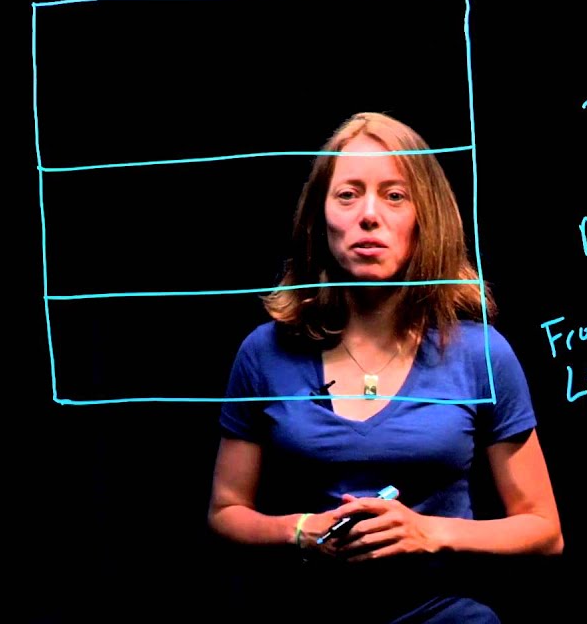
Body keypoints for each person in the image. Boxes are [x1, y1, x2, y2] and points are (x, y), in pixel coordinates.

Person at [207, 112, 563, 622]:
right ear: (319, 219)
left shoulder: (482, 354)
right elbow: (224, 514)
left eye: (394, 195)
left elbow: (544, 530)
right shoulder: (264, 353)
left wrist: (428, 532)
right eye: (347, 195)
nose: (369, 215)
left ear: (425, 216)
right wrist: (300, 530)